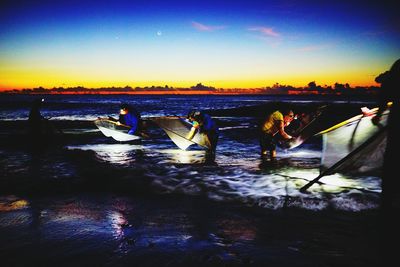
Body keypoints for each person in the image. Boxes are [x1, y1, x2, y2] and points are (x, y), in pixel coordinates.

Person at [372, 58, 400, 265]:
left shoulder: (394, 73)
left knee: (391, 167)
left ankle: (386, 207)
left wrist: (378, 115)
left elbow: (384, 96)